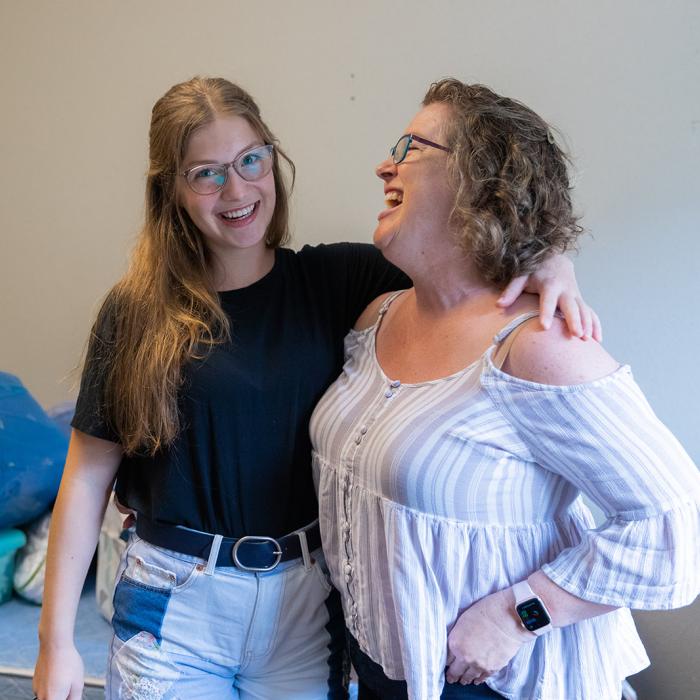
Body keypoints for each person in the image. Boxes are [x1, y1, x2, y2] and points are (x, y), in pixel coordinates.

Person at [33, 77, 595, 700]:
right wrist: (55, 645)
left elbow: (468, 271)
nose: (238, 189)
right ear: (170, 191)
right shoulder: (137, 310)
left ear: (273, 159)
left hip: (305, 603)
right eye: (206, 173)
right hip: (174, 600)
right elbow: (86, 478)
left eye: (251, 160)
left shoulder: (342, 278)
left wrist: (550, 264)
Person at [310, 78, 700, 700]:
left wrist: (520, 615)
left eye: (411, 146)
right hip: (385, 668)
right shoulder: (375, 315)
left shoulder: (539, 346)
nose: (385, 163)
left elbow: (676, 529)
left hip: (497, 682)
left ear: (479, 182)